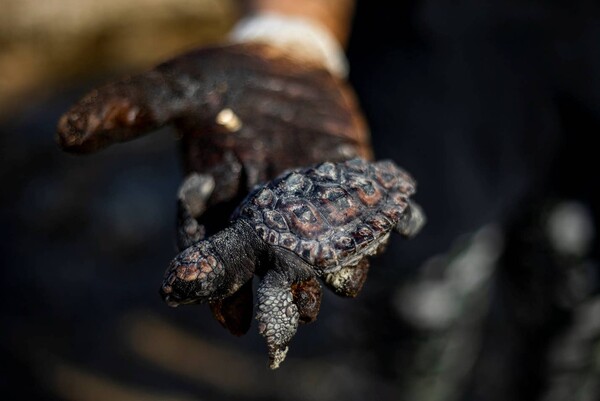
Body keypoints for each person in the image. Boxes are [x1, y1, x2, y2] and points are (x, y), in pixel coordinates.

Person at [55, 0, 600, 399]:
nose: (180, 283)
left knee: (574, 306)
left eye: (185, 276)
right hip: (431, 68)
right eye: (186, 279)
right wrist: (289, 28)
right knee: (416, 300)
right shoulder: (254, 231)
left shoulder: (257, 243)